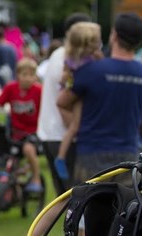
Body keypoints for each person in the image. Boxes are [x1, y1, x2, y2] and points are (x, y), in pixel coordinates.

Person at [57, 12, 142, 185]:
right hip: (129, 154)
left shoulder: (90, 70)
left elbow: (62, 102)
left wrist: (75, 126)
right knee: (124, 209)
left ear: (114, 35)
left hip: (90, 152)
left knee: (90, 208)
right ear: (139, 41)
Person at [53, 22, 102, 181]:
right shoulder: (88, 59)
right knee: (74, 127)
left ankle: (61, 155)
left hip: (72, 91)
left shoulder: (71, 57)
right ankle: (60, 157)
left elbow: (65, 75)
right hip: (77, 94)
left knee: (74, 126)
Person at [0, 57, 43, 192]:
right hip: (16, 132)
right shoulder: (11, 88)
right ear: (17, 75)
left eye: (31, 75)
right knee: (11, 162)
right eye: (24, 75)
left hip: (33, 132)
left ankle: (36, 178)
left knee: (28, 149)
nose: (28, 78)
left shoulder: (39, 91)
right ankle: (13, 190)